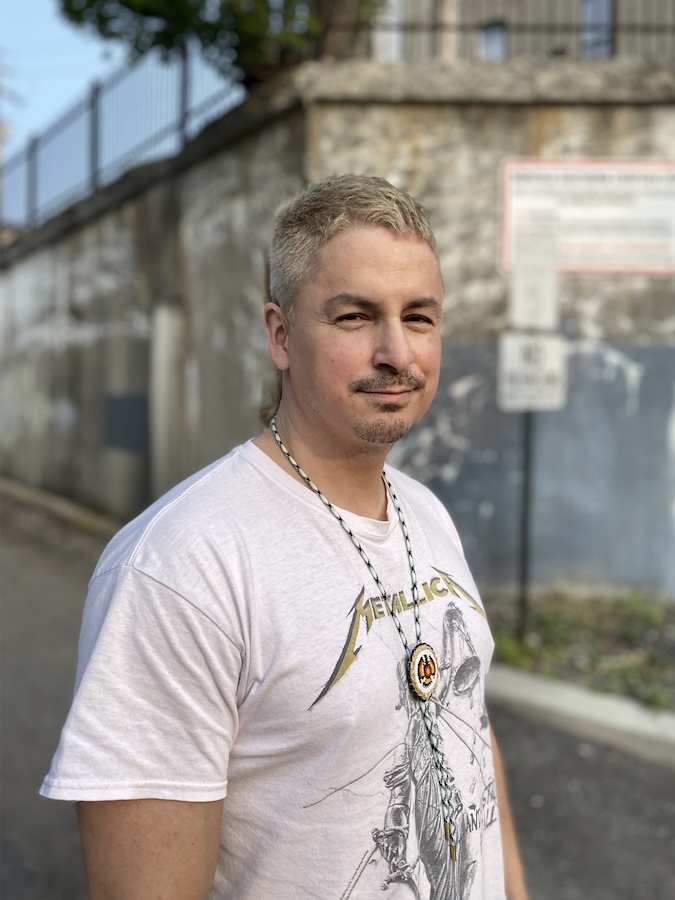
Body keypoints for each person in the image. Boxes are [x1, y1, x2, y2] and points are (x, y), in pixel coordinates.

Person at [41, 174, 529, 900]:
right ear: (279, 335)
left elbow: (466, 730)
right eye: (355, 317)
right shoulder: (183, 563)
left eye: (419, 317)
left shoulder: (425, 512)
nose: (397, 351)